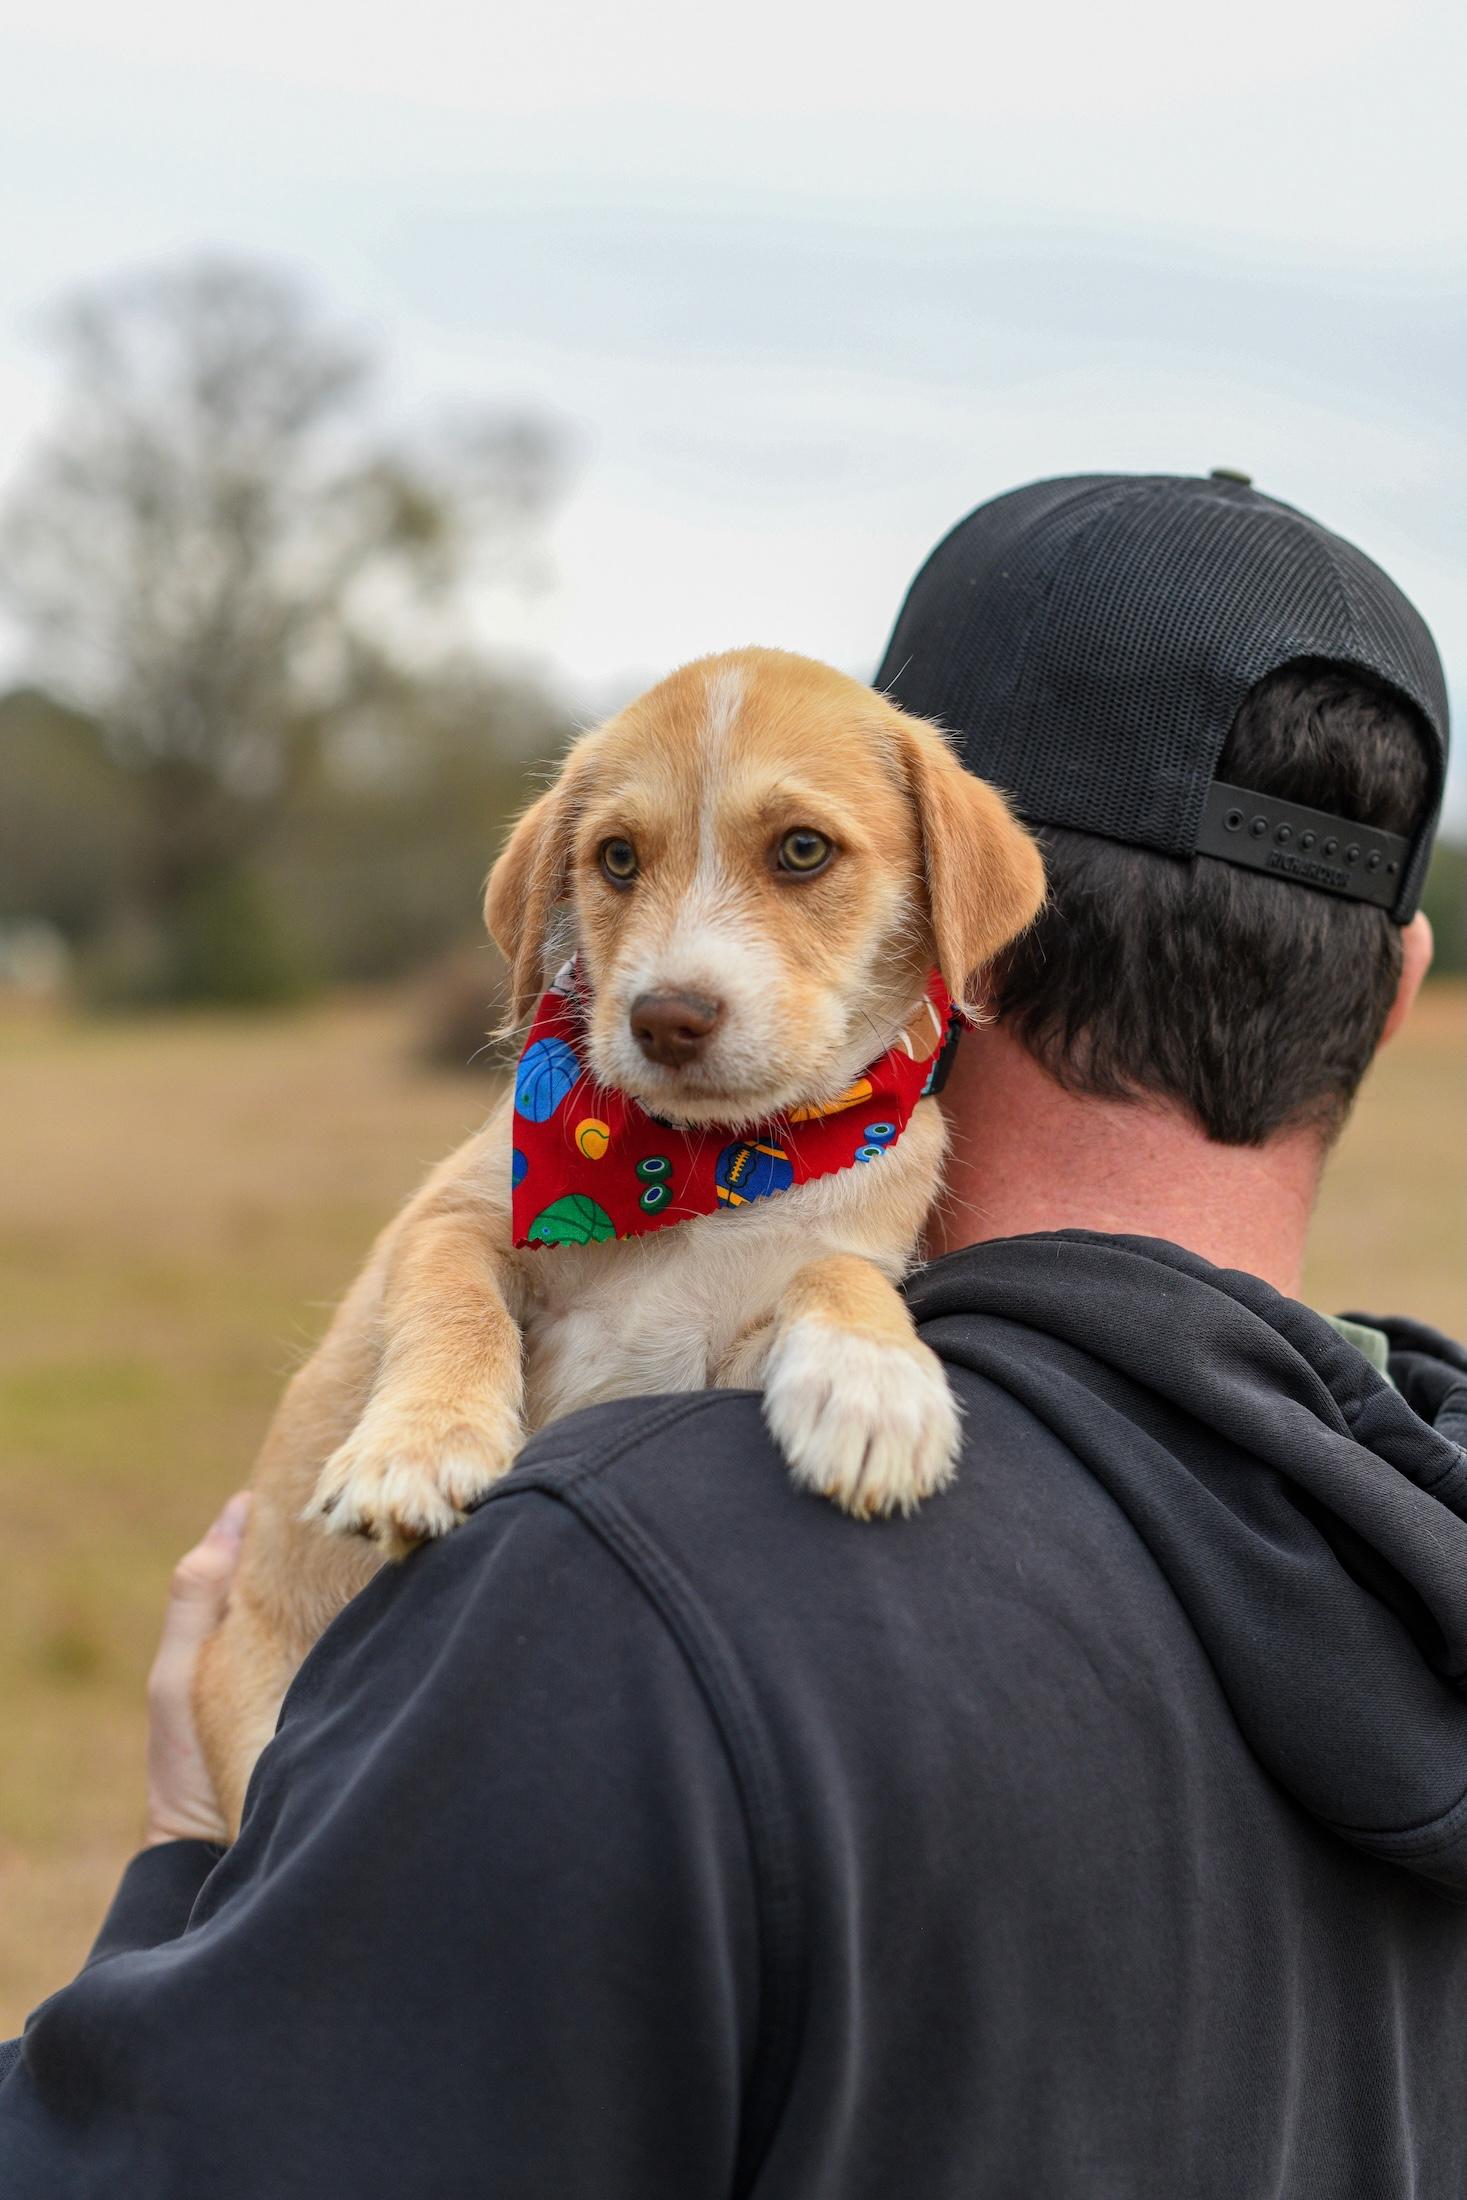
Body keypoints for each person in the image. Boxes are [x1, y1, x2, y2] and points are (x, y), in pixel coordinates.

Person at [3, 470, 1464, 2199]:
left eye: (798, 859)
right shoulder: (1415, 1517)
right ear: (1392, 995)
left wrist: (189, 1858)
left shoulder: (628, 1587)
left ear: (958, 929)